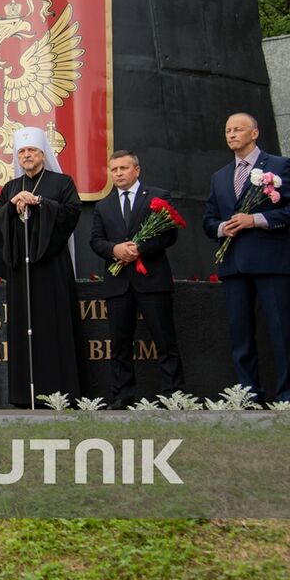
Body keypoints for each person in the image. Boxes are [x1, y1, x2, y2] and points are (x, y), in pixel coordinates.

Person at [203, 112, 290, 403]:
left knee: (281, 332)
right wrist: (222, 228)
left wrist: (256, 220)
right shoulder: (220, 176)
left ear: (254, 133)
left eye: (238, 129)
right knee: (240, 336)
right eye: (228, 130)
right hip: (234, 266)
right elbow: (209, 220)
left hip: (271, 263)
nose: (231, 134)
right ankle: (249, 397)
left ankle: (288, 398)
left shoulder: (279, 166)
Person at [0, 126, 84, 407]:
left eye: (32, 150)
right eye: (22, 151)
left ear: (43, 154)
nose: (27, 155)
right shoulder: (11, 188)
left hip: (51, 266)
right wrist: (12, 207)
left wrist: (41, 203)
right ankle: (24, 395)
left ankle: (60, 392)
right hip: (21, 270)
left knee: (54, 326)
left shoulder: (62, 182)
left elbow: (72, 213)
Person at [89, 150, 184, 409]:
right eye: (114, 169)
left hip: (152, 281)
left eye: (124, 168)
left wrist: (140, 249)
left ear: (137, 170)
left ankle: (174, 394)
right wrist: (115, 250)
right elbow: (96, 241)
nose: (118, 173)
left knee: (164, 340)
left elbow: (169, 235)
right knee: (120, 344)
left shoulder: (157, 196)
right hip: (118, 285)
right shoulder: (103, 205)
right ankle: (122, 395)